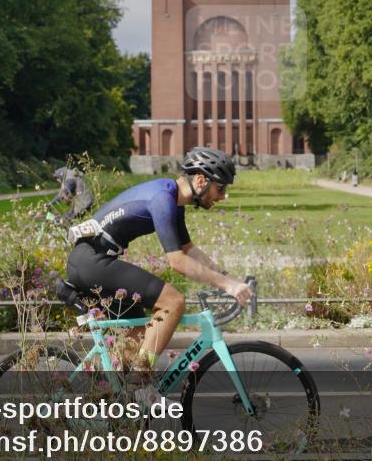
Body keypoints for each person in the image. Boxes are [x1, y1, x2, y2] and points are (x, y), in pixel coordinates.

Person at [62, 146, 253, 376]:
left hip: (90, 260)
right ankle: (141, 383)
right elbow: (178, 262)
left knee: (137, 339)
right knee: (173, 302)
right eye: (220, 188)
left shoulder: (173, 199)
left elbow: (189, 250)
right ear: (201, 180)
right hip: (91, 262)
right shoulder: (163, 199)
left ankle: (109, 395)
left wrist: (228, 278)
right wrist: (227, 286)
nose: (223, 196)